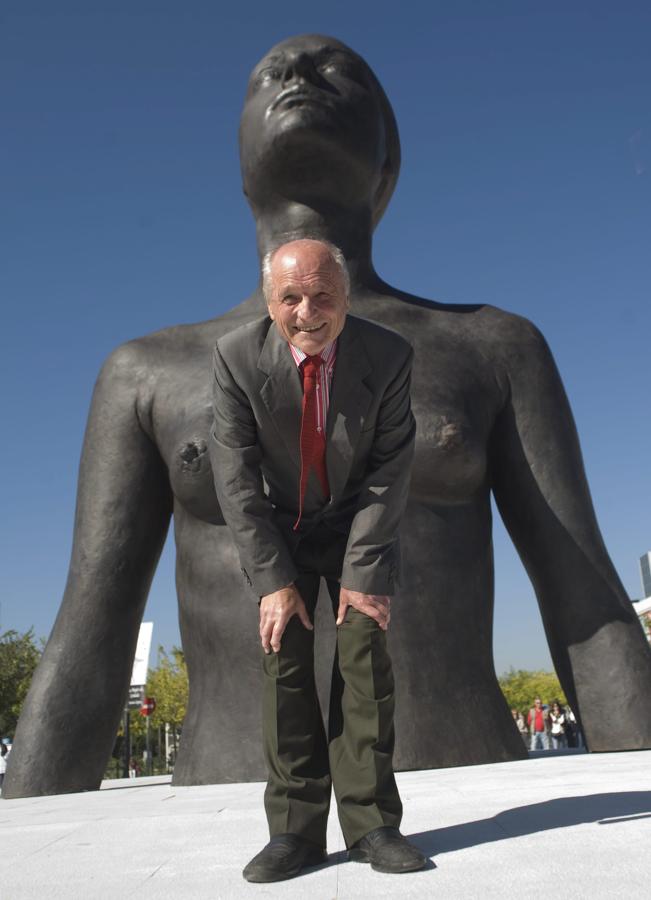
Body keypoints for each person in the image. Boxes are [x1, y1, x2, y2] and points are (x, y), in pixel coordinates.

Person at [7, 33, 651, 801]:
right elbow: (90, 635)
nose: (298, 74)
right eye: (268, 74)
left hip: (469, 788)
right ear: (242, 174)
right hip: (223, 804)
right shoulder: (146, 373)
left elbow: (585, 601)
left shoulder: (491, 348)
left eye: (339, 71)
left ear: (388, 165)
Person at [210, 238, 425, 882]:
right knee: (286, 666)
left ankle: (372, 826)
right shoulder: (235, 358)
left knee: (362, 660)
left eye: (323, 295)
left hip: (359, 520)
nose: (308, 312)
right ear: (270, 301)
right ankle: (294, 832)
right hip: (281, 527)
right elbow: (235, 478)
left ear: (347, 296)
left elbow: (390, 471)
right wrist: (273, 582)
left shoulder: (388, 356)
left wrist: (364, 575)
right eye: (291, 297)